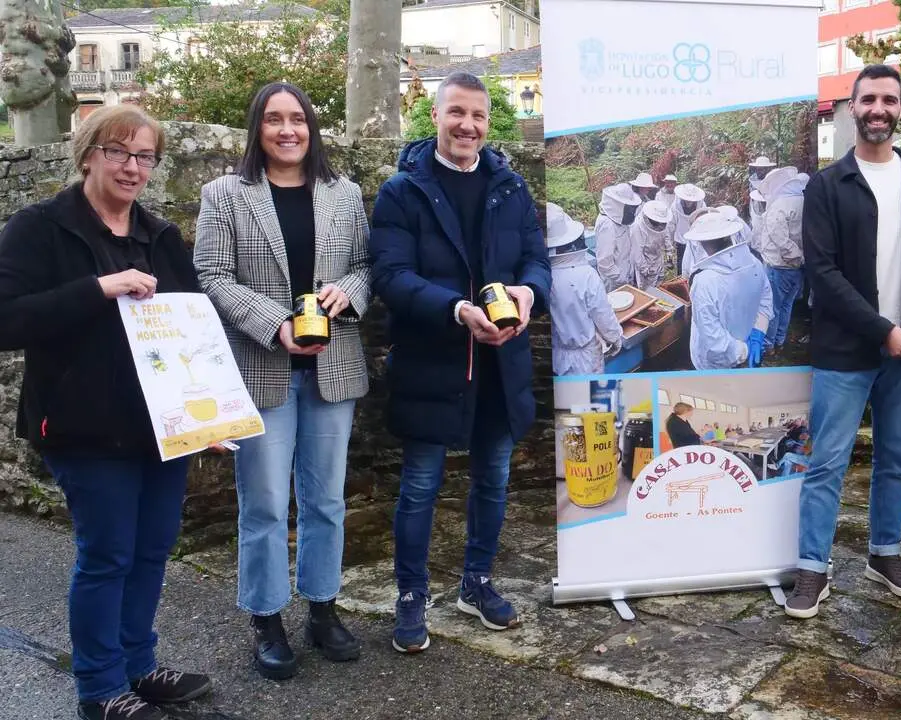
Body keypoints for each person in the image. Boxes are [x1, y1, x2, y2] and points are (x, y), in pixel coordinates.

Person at [0, 105, 213, 720]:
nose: (132, 167)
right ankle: (100, 689)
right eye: (119, 151)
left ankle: (139, 668)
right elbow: (6, 317)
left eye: (145, 156)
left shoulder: (160, 235)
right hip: (82, 427)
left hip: (160, 426)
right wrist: (100, 288)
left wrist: (211, 417)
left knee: (150, 551)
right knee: (108, 554)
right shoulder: (41, 228)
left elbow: (190, 333)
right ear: (88, 153)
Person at [369, 71, 550, 653]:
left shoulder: (511, 187)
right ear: (436, 116)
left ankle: (477, 582)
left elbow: (536, 260)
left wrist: (528, 294)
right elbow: (390, 277)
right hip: (434, 357)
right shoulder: (403, 190)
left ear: (487, 123)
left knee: (493, 479)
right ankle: (411, 594)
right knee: (420, 486)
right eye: (456, 113)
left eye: (477, 115)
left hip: (501, 361)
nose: (467, 125)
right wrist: (454, 310)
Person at [195, 82, 371, 678]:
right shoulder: (226, 194)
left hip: (332, 368)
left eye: (297, 119)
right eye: (274, 120)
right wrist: (275, 327)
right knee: (266, 504)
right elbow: (212, 273)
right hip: (261, 366)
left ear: (311, 127)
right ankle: (266, 617)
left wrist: (347, 292)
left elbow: (370, 266)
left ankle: (322, 609)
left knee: (326, 500)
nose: (288, 130)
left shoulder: (343, 193)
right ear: (258, 128)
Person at [786, 65, 901, 619]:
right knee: (828, 462)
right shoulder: (827, 185)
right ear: (852, 107)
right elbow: (823, 276)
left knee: (897, 459)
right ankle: (812, 568)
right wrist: (883, 331)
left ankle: (886, 553)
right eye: (870, 99)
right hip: (847, 350)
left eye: (891, 100)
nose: (880, 109)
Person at [686, 212, 772, 369]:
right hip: (743, 345)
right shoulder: (754, 263)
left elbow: (713, 338)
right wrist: (758, 332)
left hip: (712, 363)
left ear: (702, 242)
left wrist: (744, 350)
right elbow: (766, 297)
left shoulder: (704, 281)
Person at [547, 201, 623, 375]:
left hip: (554, 356)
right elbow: (602, 313)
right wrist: (615, 337)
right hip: (585, 358)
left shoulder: (541, 275)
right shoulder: (585, 275)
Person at [759, 166, 808, 353]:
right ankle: (779, 340)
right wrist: (801, 259)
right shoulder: (804, 201)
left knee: (772, 307)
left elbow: (779, 237)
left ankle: (768, 345)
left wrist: (795, 256)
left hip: (779, 266)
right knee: (787, 305)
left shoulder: (780, 206)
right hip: (797, 267)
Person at [594, 183, 642, 291]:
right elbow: (604, 263)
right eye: (629, 207)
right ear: (618, 205)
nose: (631, 211)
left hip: (624, 276)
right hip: (614, 282)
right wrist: (621, 278)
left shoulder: (619, 220)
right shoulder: (607, 224)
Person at [633, 200, 671, 290]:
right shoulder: (638, 227)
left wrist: (669, 255)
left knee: (659, 287)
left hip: (659, 259)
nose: (661, 225)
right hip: (646, 264)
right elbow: (637, 253)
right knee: (647, 291)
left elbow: (666, 237)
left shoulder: (664, 221)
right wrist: (646, 270)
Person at [672, 183, 707, 275]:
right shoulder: (675, 206)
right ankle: (680, 284)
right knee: (681, 263)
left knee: (695, 264)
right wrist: (670, 243)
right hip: (681, 240)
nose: (688, 202)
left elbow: (704, 221)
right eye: (686, 200)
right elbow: (672, 224)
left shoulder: (702, 205)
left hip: (696, 240)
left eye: (690, 200)